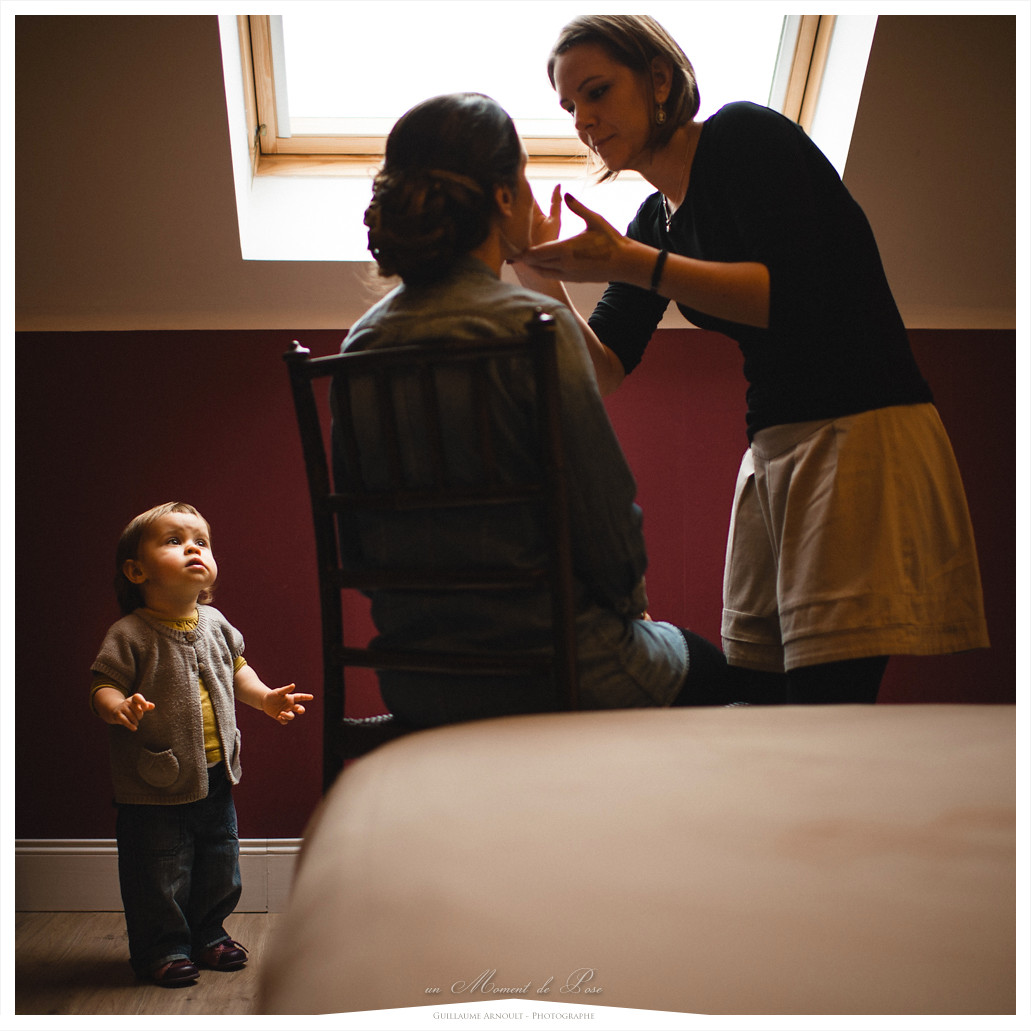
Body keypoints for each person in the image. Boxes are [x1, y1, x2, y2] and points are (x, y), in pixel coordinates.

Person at [514, 15, 989, 705]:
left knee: (825, 704)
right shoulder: (654, 220)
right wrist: (536, 270)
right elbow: (604, 368)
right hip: (774, 451)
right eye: (569, 108)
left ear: (658, 80)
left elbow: (789, 294)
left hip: (859, 433)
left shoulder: (741, 136)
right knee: (762, 699)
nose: (583, 120)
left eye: (597, 92)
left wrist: (631, 261)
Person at [337, 91, 737, 729]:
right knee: (718, 672)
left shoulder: (360, 346)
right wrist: (630, 608)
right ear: (502, 198)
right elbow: (607, 526)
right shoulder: (534, 328)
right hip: (557, 666)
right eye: (523, 177)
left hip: (418, 678)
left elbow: (357, 547)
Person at [90, 502, 312, 987]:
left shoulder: (214, 623)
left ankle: (209, 933)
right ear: (137, 571)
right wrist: (116, 706)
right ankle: (163, 948)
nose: (193, 548)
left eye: (202, 542)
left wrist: (265, 699)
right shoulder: (130, 634)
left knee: (219, 859)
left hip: (214, 774)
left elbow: (238, 671)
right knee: (158, 869)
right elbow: (103, 683)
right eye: (174, 540)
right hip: (154, 782)